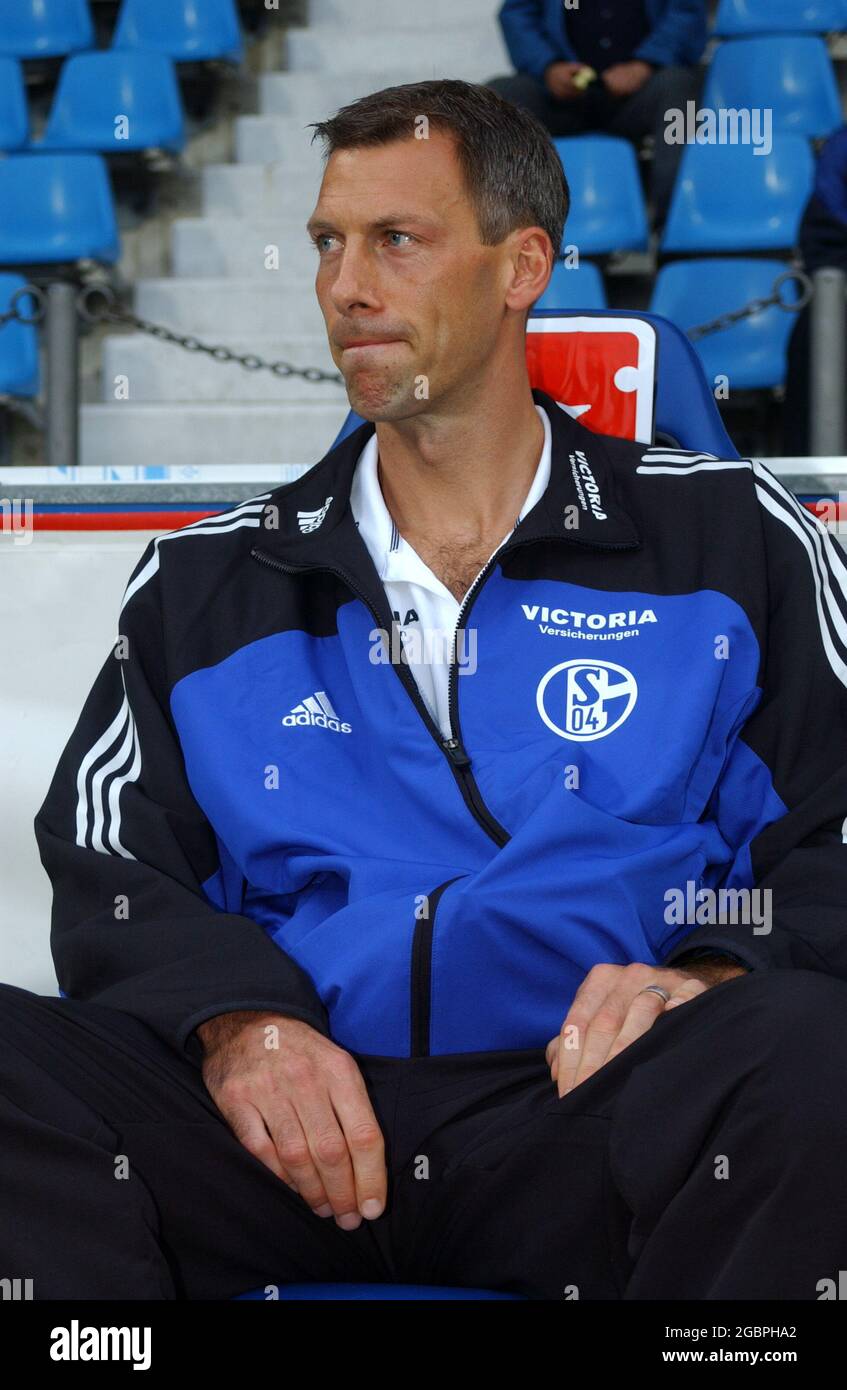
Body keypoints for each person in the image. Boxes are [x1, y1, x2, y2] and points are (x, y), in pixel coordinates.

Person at [4, 80, 847, 1301]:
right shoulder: (207, 576)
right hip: (283, 1137)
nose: (347, 288)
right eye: (328, 245)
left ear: (521, 267)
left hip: (586, 1116)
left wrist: (712, 977)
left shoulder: (730, 536)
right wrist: (242, 1024)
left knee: (804, 1053)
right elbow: (108, 866)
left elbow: (835, 829)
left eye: (396, 241)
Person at [488, 0, 708, 226]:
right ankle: (509, 229)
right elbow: (517, 14)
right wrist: (548, 66)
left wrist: (644, 64)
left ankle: (675, 226)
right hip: (561, 96)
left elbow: (687, 13)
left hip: (642, 93)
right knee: (501, 96)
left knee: (678, 89)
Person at [783, 124, 847, 456]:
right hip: (841, 286)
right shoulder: (842, 149)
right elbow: (826, 242)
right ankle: (815, 489)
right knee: (820, 329)